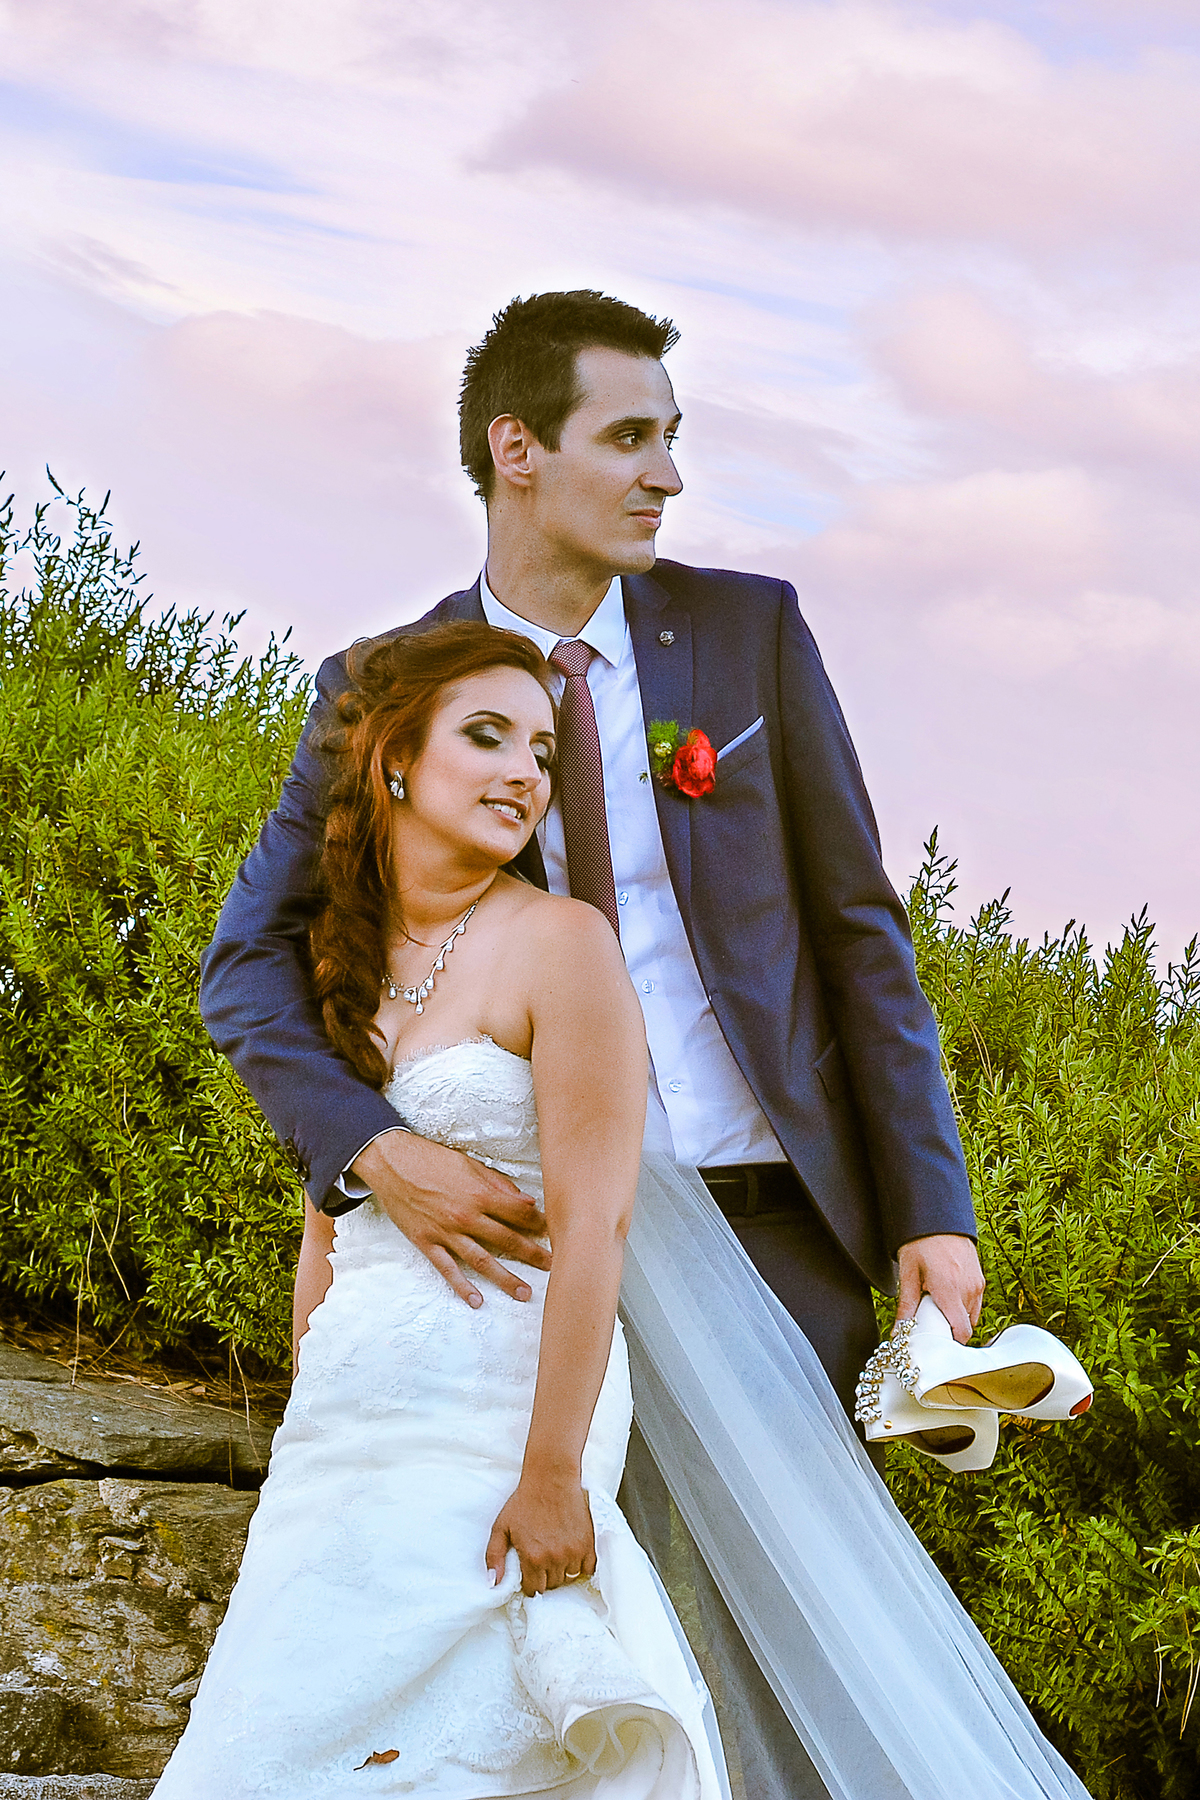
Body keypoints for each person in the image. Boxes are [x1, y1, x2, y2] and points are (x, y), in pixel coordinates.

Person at [198, 292, 1053, 1796]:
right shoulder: (388, 688)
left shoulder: (749, 635)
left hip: (767, 1221)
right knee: (543, 1641)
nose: (669, 473)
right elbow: (247, 972)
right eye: (632, 437)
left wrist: (933, 1207)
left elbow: (860, 936)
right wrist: (373, 1153)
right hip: (520, 1253)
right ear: (516, 450)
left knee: (786, 1645)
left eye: (674, 437)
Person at [155, 623, 730, 1797]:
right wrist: (312, 1400)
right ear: (396, 762)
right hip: (345, 1430)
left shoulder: (563, 946)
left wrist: (554, 1471)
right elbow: (331, 1218)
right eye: (488, 737)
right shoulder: (339, 956)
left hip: (499, 1412)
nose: (525, 772)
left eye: (541, 750)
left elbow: (597, 1225)